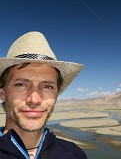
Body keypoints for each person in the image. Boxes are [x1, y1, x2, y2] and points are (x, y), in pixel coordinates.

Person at [0, 31, 87, 159]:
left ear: (56, 95)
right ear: (2, 94)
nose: (34, 99)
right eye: (21, 84)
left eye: (47, 86)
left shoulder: (74, 154)